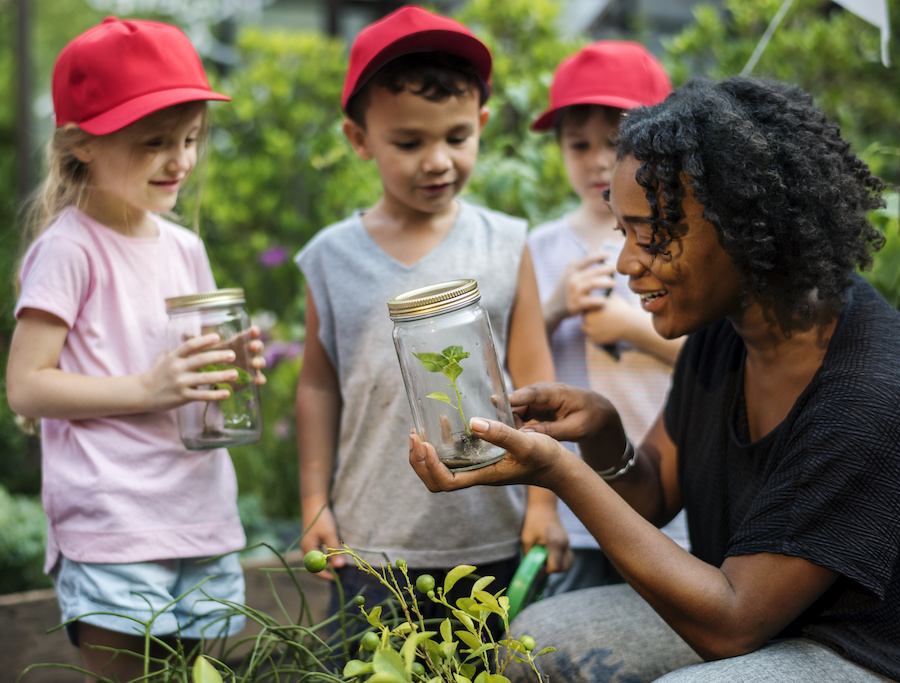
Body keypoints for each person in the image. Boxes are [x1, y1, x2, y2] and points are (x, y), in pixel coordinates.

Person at [410, 76, 900, 682]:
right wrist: (602, 435)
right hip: (756, 616)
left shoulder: (865, 391)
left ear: (748, 225)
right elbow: (653, 496)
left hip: (854, 650)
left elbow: (731, 623)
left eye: (653, 234)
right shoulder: (727, 332)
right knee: (535, 643)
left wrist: (557, 471)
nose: (626, 263)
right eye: (624, 231)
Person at [5, 17, 266, 682]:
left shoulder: (186, 247)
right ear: (81, 144)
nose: (180, 160)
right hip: (115, 523)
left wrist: (230, 365)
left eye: (188, 140)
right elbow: (27, 385)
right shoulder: (69, 248)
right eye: (155, 142)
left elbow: (191, 371)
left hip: (197, 511)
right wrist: (148, 388)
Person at [294, 4, 569, 624]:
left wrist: (544, 507)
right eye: (409, 142)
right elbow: (316, 385)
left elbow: (535, 379)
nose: (437, 160)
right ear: (359, 140)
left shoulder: (506, 242)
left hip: (494, 534)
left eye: (456, 137)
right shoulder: (332, 257)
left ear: (483, 123)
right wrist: (315, 500)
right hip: (371, 544)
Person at [527, 41, 688, 594]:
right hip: (578, 509)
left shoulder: (680, 244)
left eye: (615, 144)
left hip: (671, 494)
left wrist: (629, 330)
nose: (597, 159)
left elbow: (713, 357)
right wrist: (555, 309)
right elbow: (510, 357)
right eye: (579, 145)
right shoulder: (539, 248)